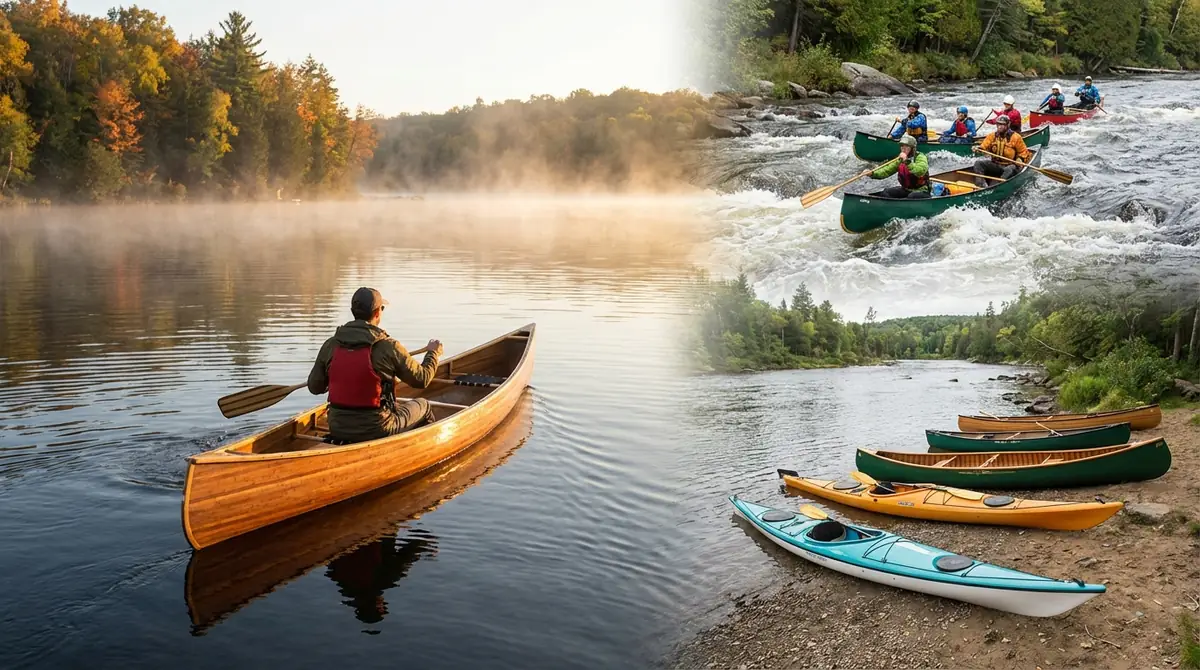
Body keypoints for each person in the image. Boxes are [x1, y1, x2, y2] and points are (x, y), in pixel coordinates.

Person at [307, 287, 443, 443]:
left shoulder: (330, 345)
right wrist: (433, 353)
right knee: (424, 405)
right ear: (378, 312)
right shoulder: (388, 346)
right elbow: (422, 379)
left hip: (337, 427)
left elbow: (315, 387)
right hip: (377, 428)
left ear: (352, 311)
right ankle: (424, 449)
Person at [860, 135, 930, 199]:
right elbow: (886, 170)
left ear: (912, 149)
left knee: (912, 196)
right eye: (902, 147)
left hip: (921, 190)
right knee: (886, 192)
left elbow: (920, 171)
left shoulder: (920, 157)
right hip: (906, 189)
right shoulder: (900, 160)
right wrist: (872, 173)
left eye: (907, 147)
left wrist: (907, 161)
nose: (903, 149)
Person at [970, 115, 1031, 187]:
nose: (999, 127)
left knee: (1010, 169)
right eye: (998, 124)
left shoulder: (1016, 137)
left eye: (1002, 124)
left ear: (1008, 125)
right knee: (978, 163)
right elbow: (983, 146)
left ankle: (998, 186)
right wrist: (978, 149)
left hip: (1010, 165)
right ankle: (981, 185)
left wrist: (1020, 159)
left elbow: (1023, 152)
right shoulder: (992, 136)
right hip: (996, 165)